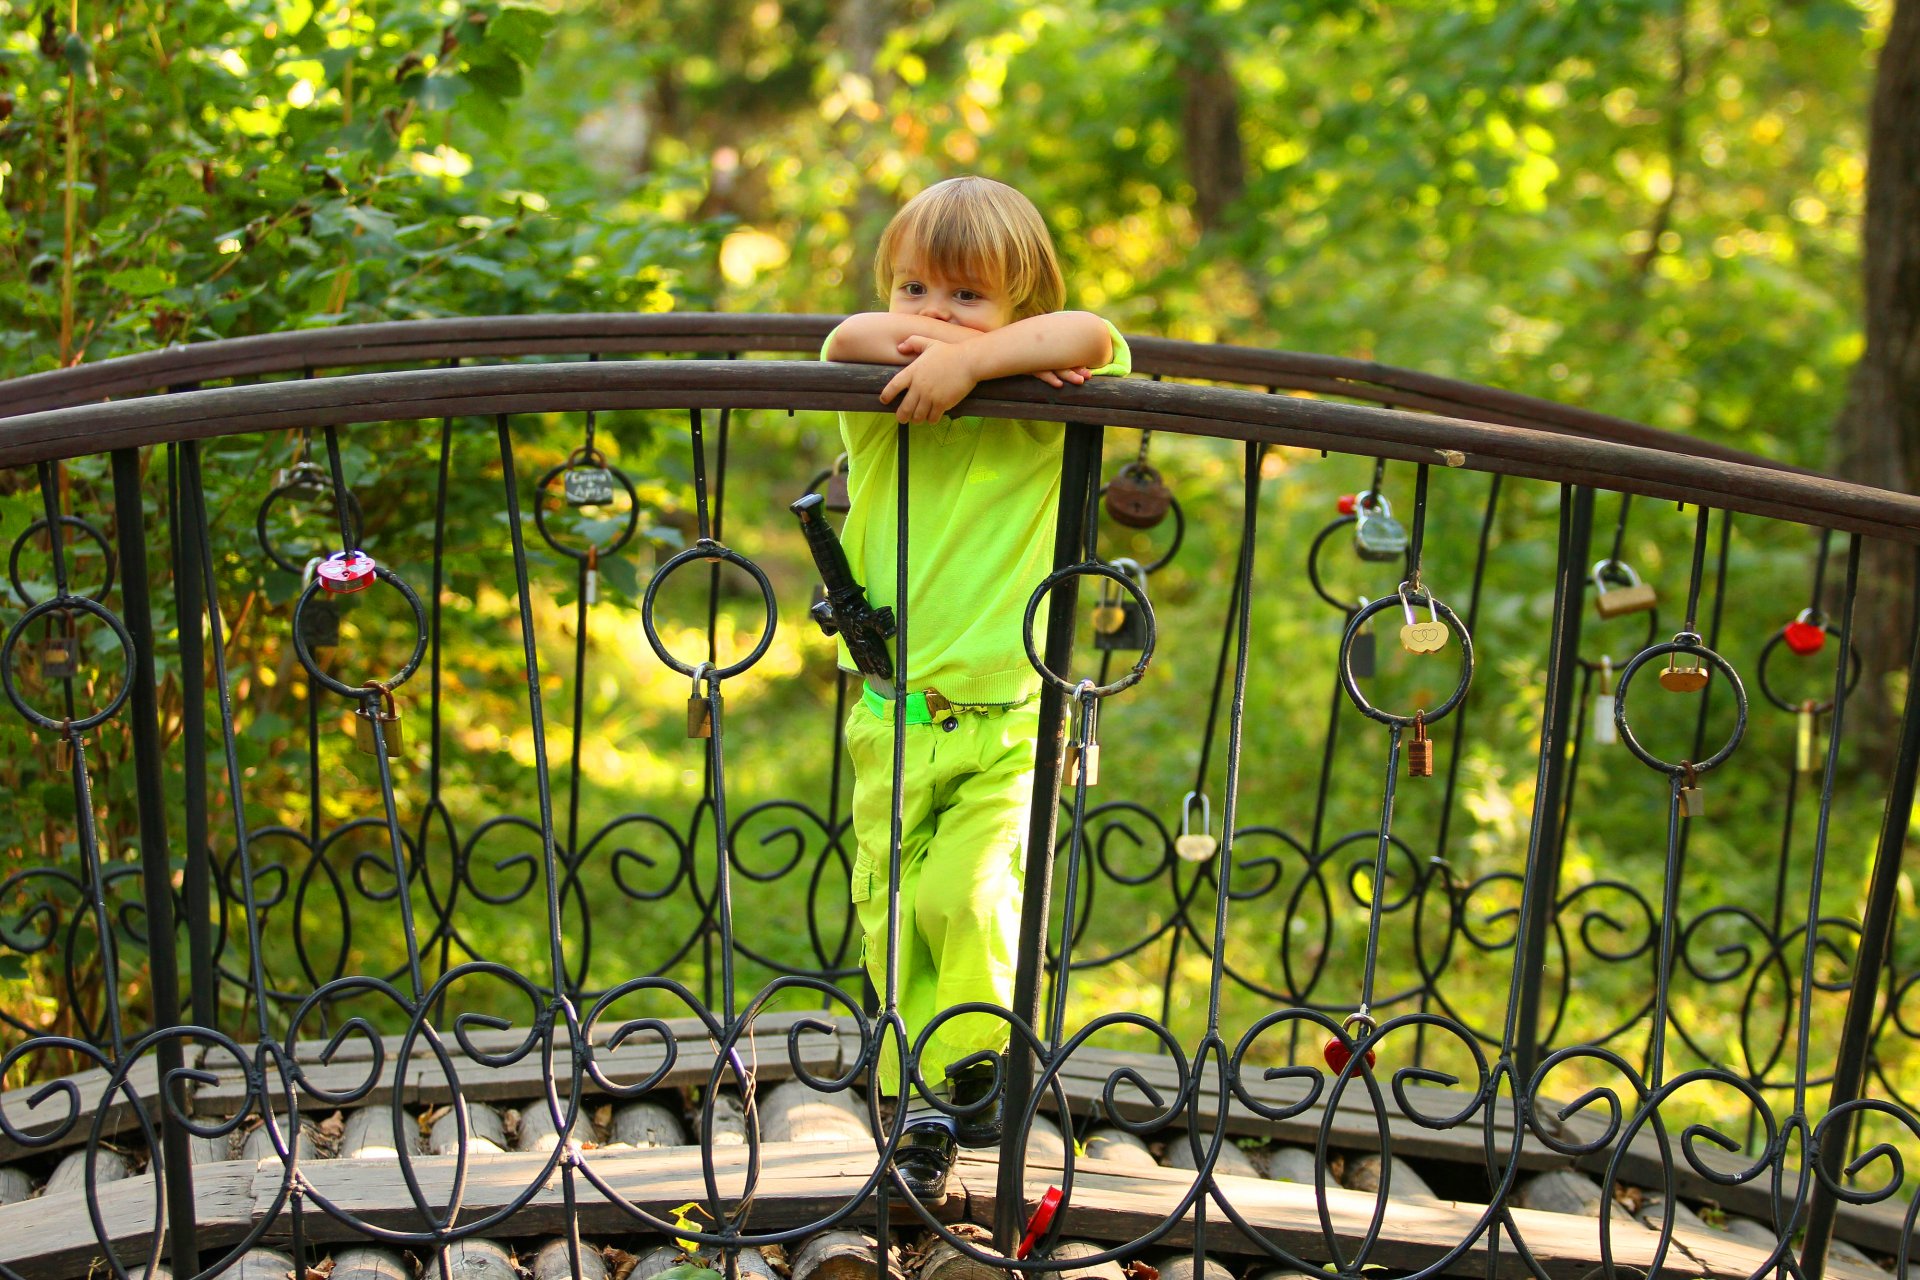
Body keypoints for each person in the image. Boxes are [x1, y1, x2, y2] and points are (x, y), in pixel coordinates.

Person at [818, 175, 1132, 1200]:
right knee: (893, 914)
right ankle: (925, 1103)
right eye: (917, 287)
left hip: (1007, 719)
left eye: (968, 298)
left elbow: (1096, 334)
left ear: (1019, 312)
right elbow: (846, 338)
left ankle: (978, 1067)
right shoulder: (878, 400)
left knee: (971, 889)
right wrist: (938, 352)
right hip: (888, 719)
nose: (932, 317)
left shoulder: (1040, 412)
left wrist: (982, 366)